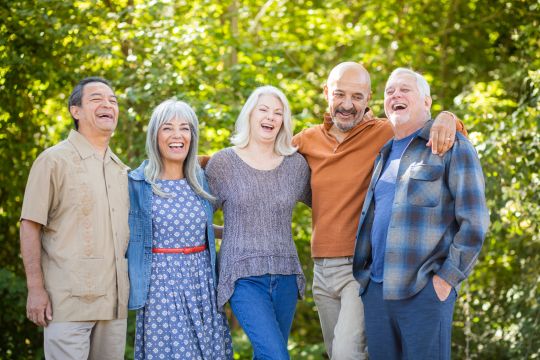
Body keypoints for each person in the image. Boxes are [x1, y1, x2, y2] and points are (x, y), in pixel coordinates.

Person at [292, 62, 465, 359]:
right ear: (326, 93)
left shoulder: (386, 132)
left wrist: (449, 117)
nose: (347, 104)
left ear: (370, 98)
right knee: (339, 354)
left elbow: (436, 129)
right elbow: (262, 157)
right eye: (339, 95)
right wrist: (193, 164)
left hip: (359, 265)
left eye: (357, 97)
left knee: (348, 353)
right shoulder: (308, 139)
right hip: (321, 269)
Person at [352, 68, 489, 359]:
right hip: (376, 290)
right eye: (389, 91)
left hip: (423, 291)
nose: (395, 95)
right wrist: (365, 284)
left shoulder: (452, 146)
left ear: (426, 101)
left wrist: (445, 280)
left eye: (404, 90)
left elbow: (474, 222)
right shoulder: (384, 153)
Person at [19, 77, 129, 359]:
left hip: (114, 307)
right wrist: (35, 289)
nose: (107, 104)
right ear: (75, 110)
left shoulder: (122, 171)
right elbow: (29, 224)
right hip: (66, 304)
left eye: (112, 100)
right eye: (96, 99)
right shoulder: (53, 160)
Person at [205, 86, 311, 360]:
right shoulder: (223, 163)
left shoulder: (295, 166)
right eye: (263, 110)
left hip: (286, 273)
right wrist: (226, 232)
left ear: (284, 122)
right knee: (277, 356)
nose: (270, 117)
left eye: (278, 113)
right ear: (250, 115)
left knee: (266, 355)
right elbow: (198, 216)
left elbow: (329, 203)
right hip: (242, 276)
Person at [126, 99, 233, 359]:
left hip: (203, 283)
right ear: (154, 136)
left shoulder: (202, 181)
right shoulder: (138, 183)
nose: (177, 135)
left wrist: (238, 233)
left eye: (185, 128)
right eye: (167, 128)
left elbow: (203, 229)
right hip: (161, 285)